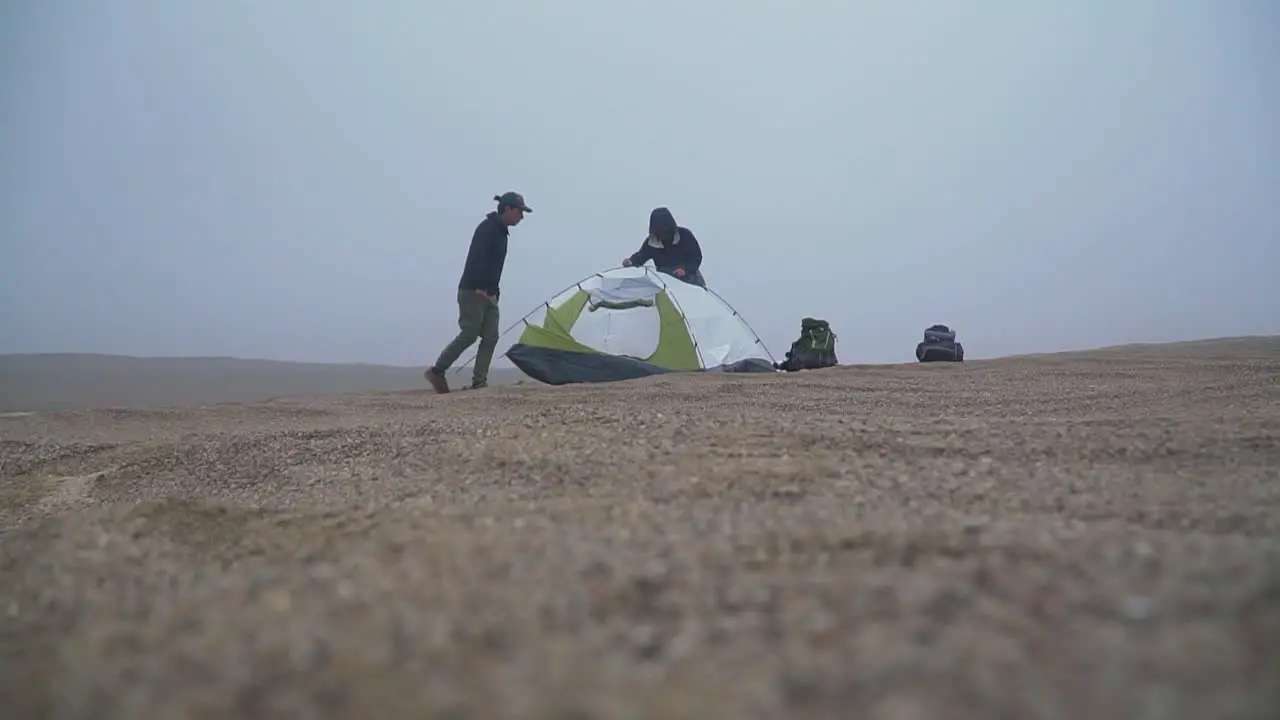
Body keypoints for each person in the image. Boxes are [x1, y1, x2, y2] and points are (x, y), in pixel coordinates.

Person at [424, 191, 532, 393]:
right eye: (519, 212)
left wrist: (495, 291)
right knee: (470, 333)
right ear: (508, 209)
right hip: (474, 290)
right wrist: (481, 287)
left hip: (490, 292)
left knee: (491, 336)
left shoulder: (501, 232)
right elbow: (477, 259)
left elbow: (495, 265)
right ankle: (437, 370)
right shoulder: (488, 229)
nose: (522, 217)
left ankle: (479, 381)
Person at [621, 206, 706, 287]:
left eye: (666, 230)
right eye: (659, 231)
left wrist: (685, 270)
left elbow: (696, 257)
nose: (663, 234)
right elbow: (641, 255)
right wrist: (631, 261)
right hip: (666, 283)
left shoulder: (685, 235)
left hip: (691, 281)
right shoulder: (652, 242)